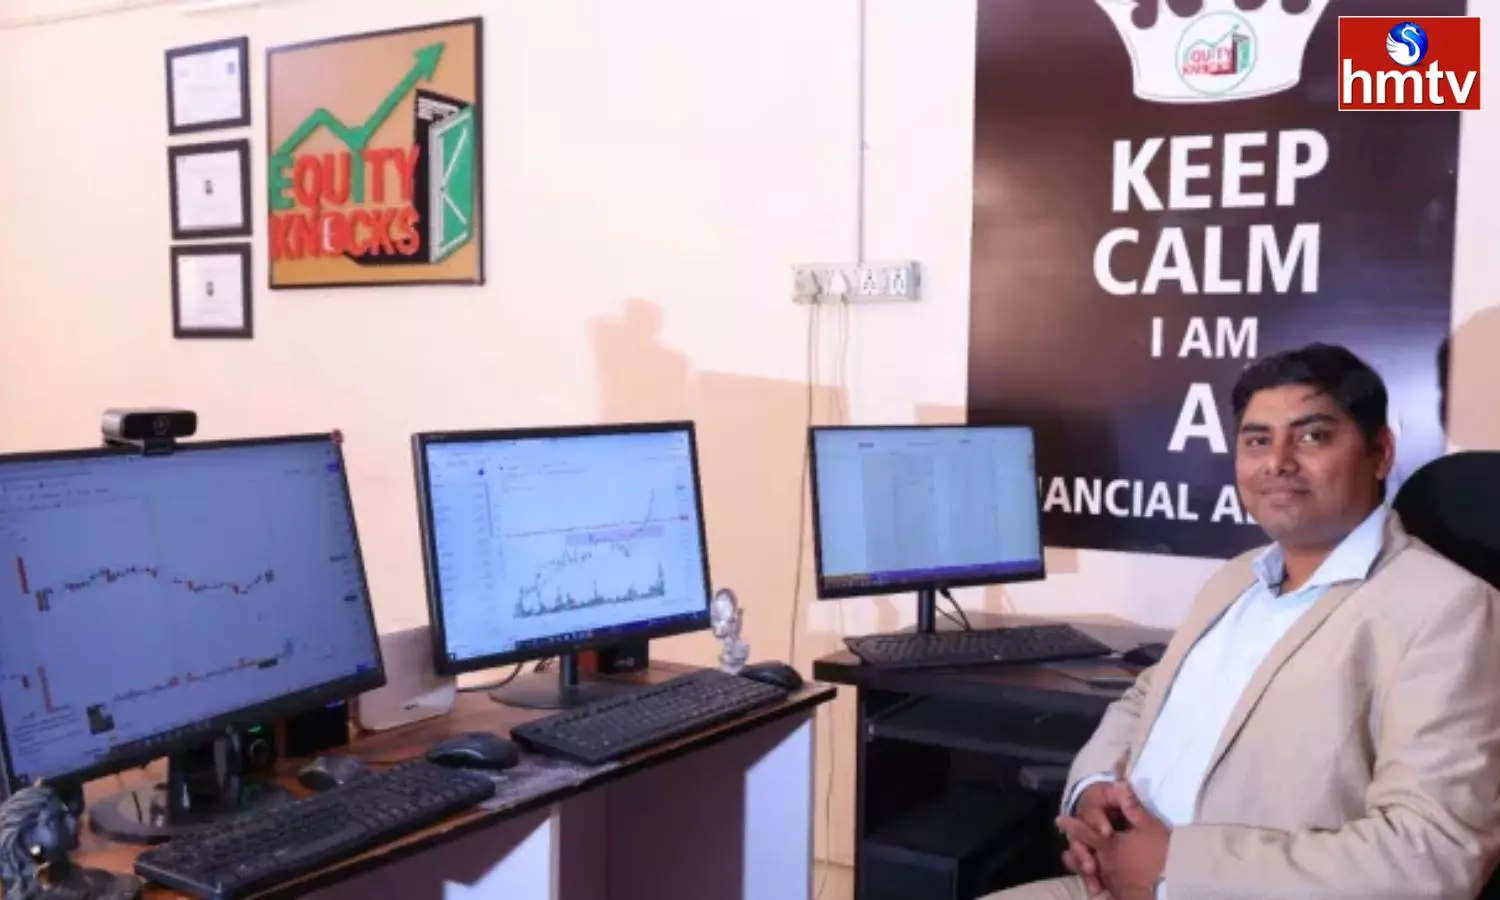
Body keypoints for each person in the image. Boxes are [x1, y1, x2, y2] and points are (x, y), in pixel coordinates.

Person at [987, 343, 1500, 900]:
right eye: (1257, 441)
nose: (1277, 461)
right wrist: (1094, 791)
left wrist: (1173, 872)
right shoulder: (1236, 579)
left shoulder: (1447, 609)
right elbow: (1145, 698)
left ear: (1379, 452)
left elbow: (1434, 852)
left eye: (1312, 436)